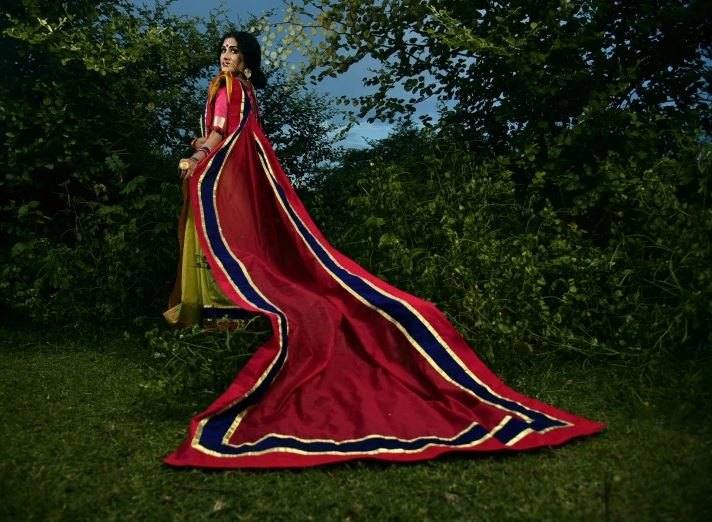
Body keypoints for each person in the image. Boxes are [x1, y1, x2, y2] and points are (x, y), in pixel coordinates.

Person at [164, 31, 604, 469]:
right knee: (268, 256)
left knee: (236, 251)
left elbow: (219, 132)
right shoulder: (249, 93)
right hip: (252, 176)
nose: (225, 56)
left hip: (231, 175)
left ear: (247, 59)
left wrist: (198, 159)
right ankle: (221, 342)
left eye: (234, 50)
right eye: (222, 50)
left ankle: (219, 335)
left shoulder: (228, 89)